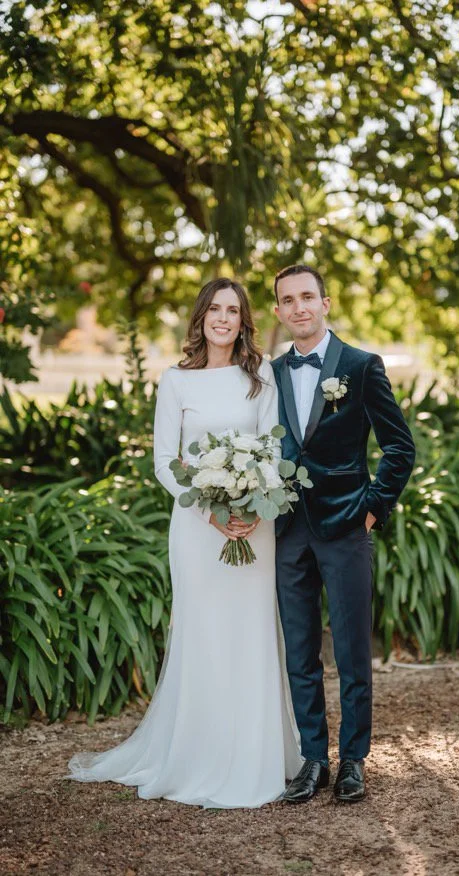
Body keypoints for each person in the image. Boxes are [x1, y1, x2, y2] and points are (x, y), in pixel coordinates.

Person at [67, 278, 302, 807]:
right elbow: (164, 462)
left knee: (252, 633)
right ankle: (197, 756)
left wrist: (249, 506)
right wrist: (211, 511)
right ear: (201, 317)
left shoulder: (260, 375)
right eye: (215, 309)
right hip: (197, 529)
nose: (223, 318)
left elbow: (272, 449)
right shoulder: (176, 381)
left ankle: (257, 757)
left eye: (233, 311)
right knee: (204, 634)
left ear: (243, 321)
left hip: (254, 525)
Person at [271, 264, 415, 803]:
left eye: (308, 297)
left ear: (325, 303)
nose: (299, 307)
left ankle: (353, 759)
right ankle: (314, 759)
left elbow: (400, 447)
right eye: (289, 300)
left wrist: (372, 509)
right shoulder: (271, 373)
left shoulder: (360, 365)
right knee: (300, 651)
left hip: (347, 525)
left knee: (353, 650)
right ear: (279, 311)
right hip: (288, 529)